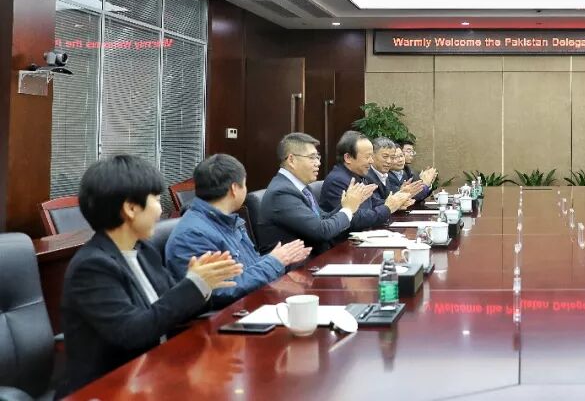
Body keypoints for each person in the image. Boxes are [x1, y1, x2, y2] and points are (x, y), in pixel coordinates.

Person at [61, 155, 243, 394]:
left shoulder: (144, 250)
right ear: (131, 208)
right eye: (156, 200)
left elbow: (171, 311)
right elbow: (133, 332)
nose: (161, 210)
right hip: (110, 388)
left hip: (154, 374)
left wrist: (204, 284)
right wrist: (193, 285)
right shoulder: (92, 266)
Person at [166, 154, 311, 309]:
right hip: (225, 317)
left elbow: (248, 269)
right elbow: (222, 290)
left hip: (250, 306)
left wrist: (282, 259)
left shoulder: (228, 221)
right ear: (234, 189)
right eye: (244, 184)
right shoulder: (193, 235)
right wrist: (274, 262)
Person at [258, 132, 374, 255]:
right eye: (312, 157)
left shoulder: (302, 187)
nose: (318, 163)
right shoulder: (281, 193)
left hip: (317, 257)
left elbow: (323, 218)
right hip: (299, 264)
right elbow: (322, 231)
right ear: (291, 160)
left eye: (317, 157)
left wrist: (349, 203)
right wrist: (348, 209)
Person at [321, 131, 415, 223]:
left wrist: (397, 203)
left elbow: (373, 203)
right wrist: (387, 208)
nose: (371, 161)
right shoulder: (337, 181)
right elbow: (353, 219)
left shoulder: (358, 176)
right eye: (367, 157)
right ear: (348, 158)